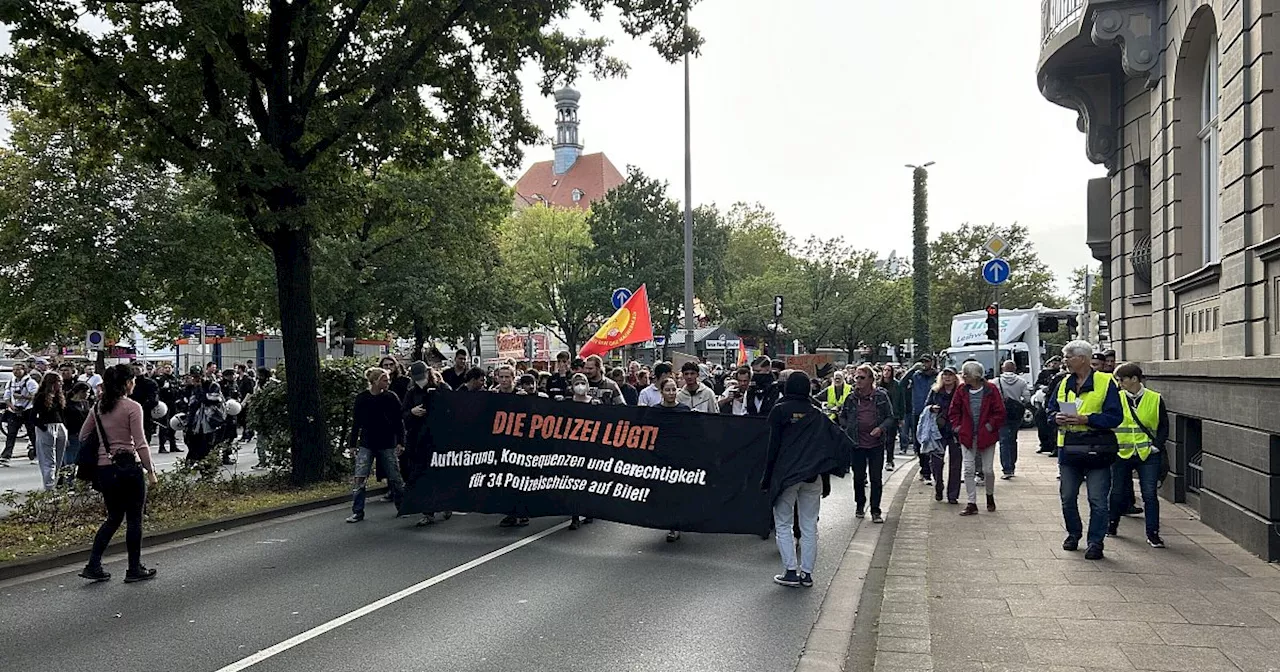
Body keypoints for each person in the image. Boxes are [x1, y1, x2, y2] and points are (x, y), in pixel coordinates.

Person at [760, 370, 846, 588]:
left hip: (786, 475)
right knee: (809, 525)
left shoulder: (779, 411)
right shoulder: (817, 414)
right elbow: (831, 445)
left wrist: (767, 479)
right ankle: (807, 574)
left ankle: (790, 571)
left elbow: (771, 448)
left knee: (783, 523)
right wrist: (827, 476)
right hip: (812, 476)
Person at [78, 364, 158, 583]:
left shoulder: (98, 407)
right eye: (132, 380)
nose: (134, 383)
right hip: (129, 469)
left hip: (105, 469)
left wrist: (104, 445)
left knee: (113, 518)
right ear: (126, 383)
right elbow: (141, 443)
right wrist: (150, 471)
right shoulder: (133, 407)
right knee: (134, 520)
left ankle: (93, 564)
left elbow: (83, 436)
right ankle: (134, 568)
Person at [1048, 340, 1124, 560]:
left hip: (1098, 449)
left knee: (1098, 500)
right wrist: (1056, 417)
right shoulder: (1063, 383)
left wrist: (1086, 419)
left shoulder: (1105, 382)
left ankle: (1095, 542)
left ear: (1081, 358)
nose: (1064, 362)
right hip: (1069, 449)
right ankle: (1073, 534)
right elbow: (1050, 409)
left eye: (1067, 357)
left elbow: (1115, 417)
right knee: (1068, 496)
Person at [1107, 363, 1168, 548]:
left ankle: (1153, 534)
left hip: (1147, 453)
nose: (1119, 383)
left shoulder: (1155, 399)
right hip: (1121, 453)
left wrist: (1156, 446)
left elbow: (1164, 425)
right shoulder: (1116, 399)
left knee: (1149, 494)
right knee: (1117, 492)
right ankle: (1112, 524)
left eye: (1122, 379)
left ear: (1134, 379)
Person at [345, 367, 406, 523]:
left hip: (387, 442)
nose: (388, 382)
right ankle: (357, 511)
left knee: (395, 477)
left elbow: (399, 422)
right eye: (384, 380)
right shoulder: (362, 398)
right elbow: (356, 423)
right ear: (375, 382)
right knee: (360, 477)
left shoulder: (391, 397)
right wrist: (353, 445)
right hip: (367, 442)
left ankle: (403, 506)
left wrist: (400, 441)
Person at [838, 364, 894, 523]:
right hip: (857, 444)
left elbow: (890, 417)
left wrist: (880, 428)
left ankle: (875, 510)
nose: (858, 381)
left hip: (876, 444)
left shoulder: (881, 396)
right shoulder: (851, 398)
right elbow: (843, 416)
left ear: (871, 379)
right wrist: (848, 427)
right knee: (858, 478)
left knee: (876, 478)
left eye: (862, 377)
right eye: (856, 377)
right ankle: (860, 505)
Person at [949, 361, 1006, 516]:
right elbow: (954, 411)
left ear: (974, 376)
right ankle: (971, 502)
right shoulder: (961, 390)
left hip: (986, 435)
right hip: (967, 435)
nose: (963, 377)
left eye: (965, 374)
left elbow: (999, 411)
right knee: (968, 469)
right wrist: (958, 427)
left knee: (987, 470)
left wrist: (989, 426)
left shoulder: (991, 390)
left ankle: (989, 495)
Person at [402, 361, 452, 527]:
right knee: (422, 474)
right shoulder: (411, 393)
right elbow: (403, 414)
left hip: (438, 437)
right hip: (418, 438)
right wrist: (412, 413)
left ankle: (445, 502)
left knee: (439, 473)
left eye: (421, 377)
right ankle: (427, 511)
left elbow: (452, 408)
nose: (419, 381)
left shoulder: (441, 388)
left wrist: (436, 399)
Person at [651, 377, 690, 542]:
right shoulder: (654, 411)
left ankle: (675, 526)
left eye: (674, 389)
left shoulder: (684, 410)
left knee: (677, 492)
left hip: (679, 457)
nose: (671, 393)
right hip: (661, 457)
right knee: (664, 493)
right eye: (668, 390)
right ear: (661, 392)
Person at [564, 372, 598, 530]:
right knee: (573, 483)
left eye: (583, 382)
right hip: (572, 449)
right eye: (576, 383)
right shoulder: (566, 404)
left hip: (589, 449)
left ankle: (589, 509)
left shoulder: (594, 404)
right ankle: (575, 516)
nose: (580, 385)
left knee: (588, 481)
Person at [925, 367, 961, 502]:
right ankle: (938, 485)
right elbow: (926, 406)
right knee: (936, 462)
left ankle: (953, 495)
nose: (947, 377)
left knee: (956, 464)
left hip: (955, 431)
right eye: (945, 374)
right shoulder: (935, 391)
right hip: (938, 431)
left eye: (950, 375)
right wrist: (931, 408)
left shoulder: (960, 391)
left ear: (955, 377)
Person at [30, 372, 68, 490]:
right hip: (47, 427)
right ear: (51, 383)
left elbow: (62, 414)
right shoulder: (41, 396)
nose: (61, 384)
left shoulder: (59, 396)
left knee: (58, 460)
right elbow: (32, 416)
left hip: (60, 426)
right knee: (49, 461)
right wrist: (43, 427)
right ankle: (49, 488)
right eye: (58, 382)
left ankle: (54, 484)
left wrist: (65, 428)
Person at [182, 366, 225, 464]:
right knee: (191, 443)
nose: (195, 379)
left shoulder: (212, 386)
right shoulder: (191, 388)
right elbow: (190, 405)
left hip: (210, 421)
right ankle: (193, 462)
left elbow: (212, 400)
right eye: (193, 377)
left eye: (197, 376)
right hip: (195, 422)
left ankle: (207, 467)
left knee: (208, 446)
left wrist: (200, 390)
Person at [995, 360, 1030, 479]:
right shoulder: (1022, 381)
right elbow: (1026, 398)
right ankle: (1012, 466)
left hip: (1001, 414)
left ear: (1002, 368)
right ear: (1014, 368)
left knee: (1003, 441)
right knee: (1013, 439)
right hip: (1015, 414)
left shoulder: (996, 382)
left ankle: (1007, 469)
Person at [905, 356, 939, 477]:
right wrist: (911, 370)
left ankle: (929, 469)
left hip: (932, 412)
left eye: (927, 362)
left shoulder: (937, 376)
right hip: (918, 411)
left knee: (932, 441)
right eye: (923, 362)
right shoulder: (916, 376)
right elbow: (902, 384)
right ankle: (923, 467)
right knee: (919, 441)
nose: (925, 364)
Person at [2, 362, 37, 464]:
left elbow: (35, 396)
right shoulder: (11, 382)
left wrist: (22, 397)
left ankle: (36, 455)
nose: (16, 372)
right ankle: (6, 456)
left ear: (24, 370)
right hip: (14, 411)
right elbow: (7, 397)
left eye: (18, 369)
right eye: (14, 370)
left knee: (32, 433)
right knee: (11, 434)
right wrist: (12, 407)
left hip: (28, 410)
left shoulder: (30, 382)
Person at [876, 364, 905, 472]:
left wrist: (901, 417)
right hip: (879, 415)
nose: (886, 372)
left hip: (893, 415)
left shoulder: (896, 385)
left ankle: (889, 460)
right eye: (885, 370)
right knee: (880, 439)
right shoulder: (878, 385)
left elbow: (901, 401)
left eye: (888, 370)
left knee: (890, 439)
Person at [154, 362, 182, 454]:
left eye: (169, 367)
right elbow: (157, 391)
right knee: (164, 426)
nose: (168, 369)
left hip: (174, 404)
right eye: (166, 367)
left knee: (173, 425)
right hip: (164, 405)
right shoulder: (160, 379)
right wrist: (163, 388)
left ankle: (173, 445)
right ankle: (161, 446)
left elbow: (178, 390)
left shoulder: (175, 379)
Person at [63, 382, 91, 473]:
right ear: (81, 392)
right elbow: (65, 421)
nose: (88, 395)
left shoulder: (86, 403)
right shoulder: (68, 405)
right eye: (87, 392)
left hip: (84, 435)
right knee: (71, 460)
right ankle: (68, 482)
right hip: (72, 434)